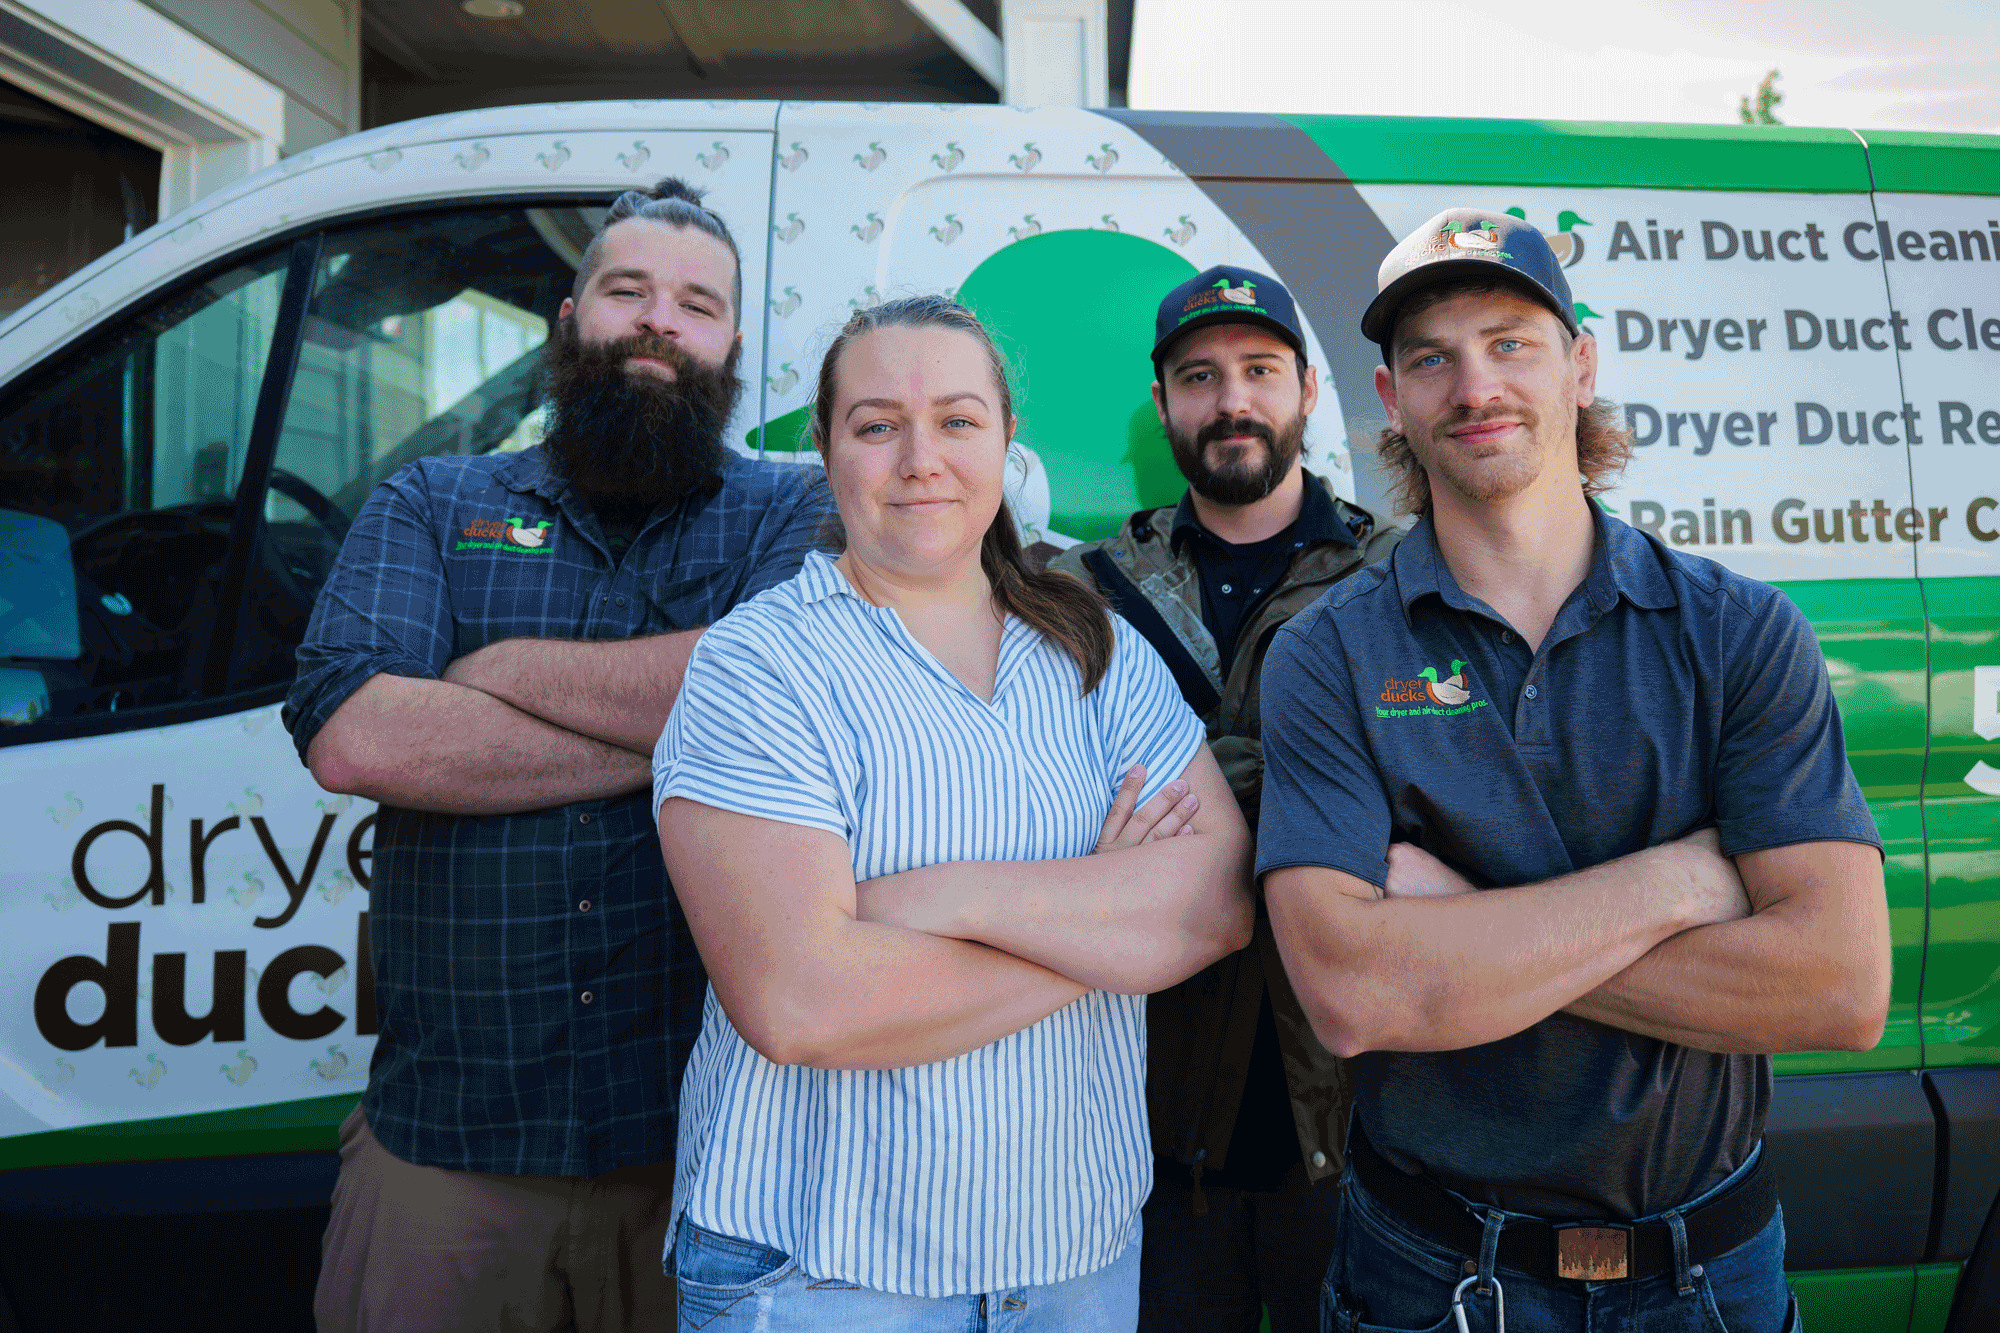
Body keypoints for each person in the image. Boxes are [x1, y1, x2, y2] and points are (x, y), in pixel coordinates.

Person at [1258, 209, 1890, 1333]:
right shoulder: (1327, 651)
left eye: (1510, 342)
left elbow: (1835, 988)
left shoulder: (1736, 631)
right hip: (1431, 1273)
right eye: (1430, 358)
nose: (1472, 384)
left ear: (1579, 365)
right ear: (1389, 396)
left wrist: (1460, 932)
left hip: (1709, 1273)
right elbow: (1354, 995)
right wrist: (1678, 888)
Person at [284, 178, 833, 1332]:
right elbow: (356, 734)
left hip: (707, 1162)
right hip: (449, 1148)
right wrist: (696, 725)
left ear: (733, 344)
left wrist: (495, 671)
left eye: (695, 303)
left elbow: (806, 704)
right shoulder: (431, 500)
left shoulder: (797, 512)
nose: (657, 322)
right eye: (626, 290)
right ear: (567, 318)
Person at [652, 295, 1256, 1330]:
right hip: (825, 1277)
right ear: (824, 448)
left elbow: (1215, 907)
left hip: (1075, 1261)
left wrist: (931, 900)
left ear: (1007, 440)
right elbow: (803, 1004)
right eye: (877, 423)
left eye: (958, 420)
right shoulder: (760, 669)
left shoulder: (1095, 651)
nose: (919, 459)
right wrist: (1107, 930)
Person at [1049, 264, 1396, 1333]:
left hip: (1349, 1128)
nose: (1229, 400)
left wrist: (1190, 787)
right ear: (1161, 406)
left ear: (1303, 392)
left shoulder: (1394, 580)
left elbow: (1420, 795)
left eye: (1257, 370)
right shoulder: (1079, 590)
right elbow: (1050, 805)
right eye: (1197, 376)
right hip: (1138, 1136)